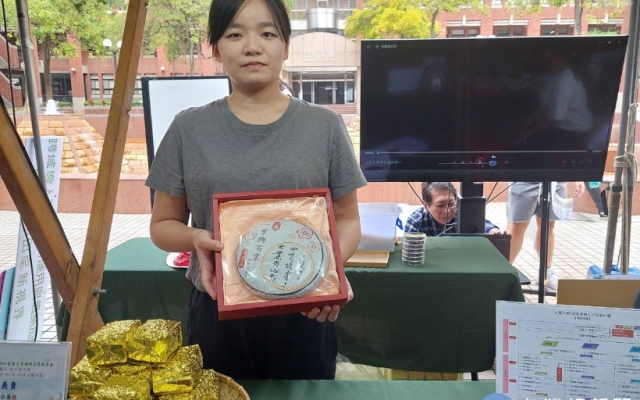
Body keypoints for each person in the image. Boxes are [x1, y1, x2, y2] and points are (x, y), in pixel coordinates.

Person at [145, 0, 366, 380]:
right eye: (235, 34)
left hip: (304, 311)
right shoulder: (188, 129)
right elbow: (162, 225)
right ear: (216, 49)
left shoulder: (324, 126)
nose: (252, 46)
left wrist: (328, 270)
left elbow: (348, 220)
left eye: (267, 33)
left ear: (286, 45)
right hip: (218, 311)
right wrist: (197, 238)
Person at [506, 182, 584, 290]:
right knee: (517, 225)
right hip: (525, 179)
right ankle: (503, 272)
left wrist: (578, 178)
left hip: (556, 180)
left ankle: (546, 273)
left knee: (548, 224)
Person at [404, 182, 500, 236]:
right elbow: (411, 250)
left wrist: (493, 231)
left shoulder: (461, 212)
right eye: (440, 205)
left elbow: (481, 223)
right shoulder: (415, 222)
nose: (447, 211)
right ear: (426, 205)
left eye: (451, 204)